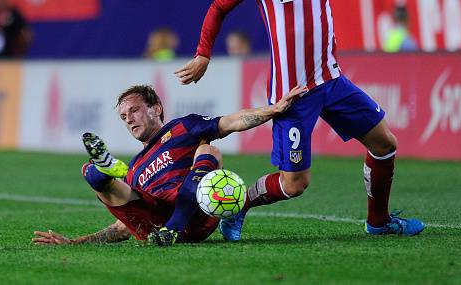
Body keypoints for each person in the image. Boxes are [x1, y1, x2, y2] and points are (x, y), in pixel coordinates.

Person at [175, 0, 436, 241]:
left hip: (332, 80)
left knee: (385, 143)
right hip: (292, 94)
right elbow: (219, 6)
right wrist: (203, 54)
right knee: (295, 184)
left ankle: (379, 221)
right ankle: (240, 206)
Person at [32, 84, 306, 247]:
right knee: (100, 180)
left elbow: (232, 121)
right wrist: (75, 242)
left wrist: (273, 110)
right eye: (124, 116)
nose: (129, 119)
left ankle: (174, 225)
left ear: (156, 108)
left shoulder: (183, 127)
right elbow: (121, 227)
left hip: (196, 214)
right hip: (156, 222)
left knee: (209, 149)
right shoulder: (137, 165)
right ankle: (102, 169)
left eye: (134, 110)